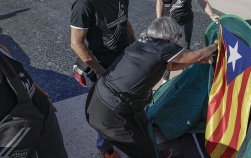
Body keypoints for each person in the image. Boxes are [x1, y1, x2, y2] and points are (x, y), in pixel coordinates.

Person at [86, 17, 218, 158]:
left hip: (97, 100)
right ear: (169, 34)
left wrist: (198, 61)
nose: (179, 39)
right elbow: (195, 55)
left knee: (142, 128)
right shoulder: (164, 46)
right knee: (143, 150)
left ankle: (109, 148)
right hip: (111, 112)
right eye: (178, 35)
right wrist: (215, 44)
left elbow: (171, 65)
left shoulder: (144, 43)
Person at [70, 0, 136, 158]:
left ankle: (135, 131)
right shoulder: (85, 5)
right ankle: (104, 147)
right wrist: (99, 71)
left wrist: (135, 48)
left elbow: (125, 23)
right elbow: (76, 43)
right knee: (106, 110)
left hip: (123, 58)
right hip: (102, 65)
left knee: (130, 100)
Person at [156, 0, 219, 80]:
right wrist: (158, 19)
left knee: (184, 52)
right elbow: (160, 1)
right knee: (165, 51)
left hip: (184, 24)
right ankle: (165, 78)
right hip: (167, 24)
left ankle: (184, 77)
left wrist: (211, 14)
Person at [0, 45, 68, 158]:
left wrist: (42, 94)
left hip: (44, 116)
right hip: (14, 136)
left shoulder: (2, 50)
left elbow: (18, 76)